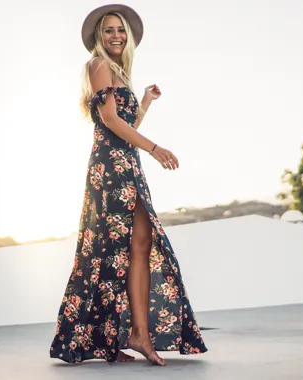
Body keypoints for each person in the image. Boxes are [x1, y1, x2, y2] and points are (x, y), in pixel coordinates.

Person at [49, 4, 207, 366]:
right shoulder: (98, 65)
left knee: (135, 244)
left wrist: (146, 103)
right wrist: (154, 148)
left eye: (120, 30)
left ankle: (129, 334)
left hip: (126, 164)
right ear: (99, 37)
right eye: (108, 30)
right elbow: (107, 119)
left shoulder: (118, 72)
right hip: (111, 167)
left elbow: (124, 122)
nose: (116, 35)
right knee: (118, 247)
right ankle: (122, 334)